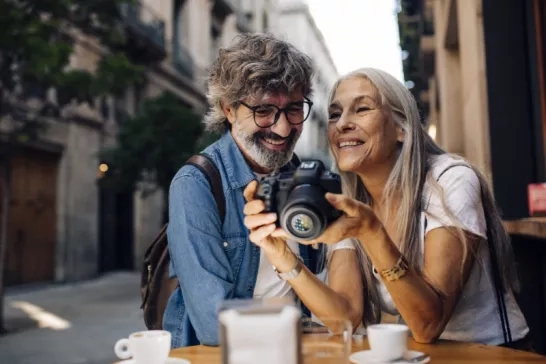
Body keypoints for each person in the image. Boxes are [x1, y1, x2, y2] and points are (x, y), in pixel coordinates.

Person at [243, 67, 531, 349]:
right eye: (334, 114)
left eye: (362, 109)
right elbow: (345, 316)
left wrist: (371, 231)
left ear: (402, 128)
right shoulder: (344, 196)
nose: (342, 123)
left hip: (496, 353)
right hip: (423, 358)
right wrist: (280, 255)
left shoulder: (449, 181)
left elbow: (428, 325)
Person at [163, 33, 327, 348]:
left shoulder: (305, 177)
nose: (282, 129)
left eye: (294, 109)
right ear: (228, 109)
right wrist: (299, 325)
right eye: (263, 111)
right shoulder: (195, 184)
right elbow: (215, 325)